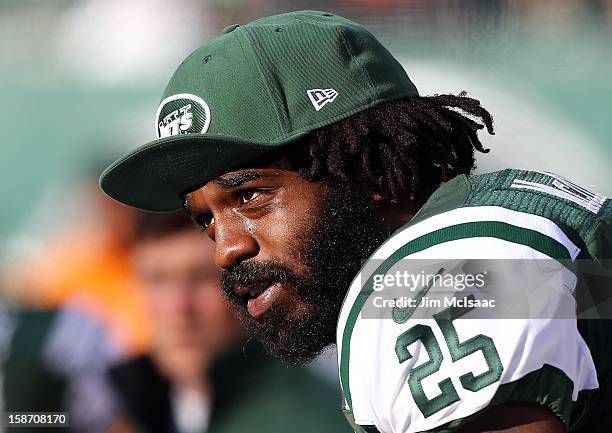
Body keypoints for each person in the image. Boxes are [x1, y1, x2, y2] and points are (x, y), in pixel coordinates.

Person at [99, 11, 612, 433]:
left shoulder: (429, 278)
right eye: (206, 221)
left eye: (250, 196)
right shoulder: (513, 212)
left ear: (366, 166)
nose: (225, 249)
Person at [108, 211, 353, 433]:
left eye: (203, 278)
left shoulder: (307, 418)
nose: (179, 308)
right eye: (157, 279)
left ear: (250, 286)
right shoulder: (117, 407)